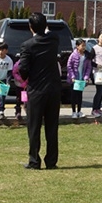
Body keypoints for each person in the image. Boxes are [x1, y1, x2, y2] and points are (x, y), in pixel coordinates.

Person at [19, 12, 61, 170]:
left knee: (34, 127)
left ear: (31, 27)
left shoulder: (27, 45)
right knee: (52, 127)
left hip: (36, 90)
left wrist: (28, 76)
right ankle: (51, 161)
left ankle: (34, 161)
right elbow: (49, 32)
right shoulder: (54, 39)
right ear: (46, 25)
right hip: (54, 89)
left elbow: (23, 69)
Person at [67, 39, 92, 118]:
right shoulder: (73, 55)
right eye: (82, 46)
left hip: (81, 79)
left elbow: (88, 67)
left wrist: (86, 77)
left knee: (80, 96)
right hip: (74, 80)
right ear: (77, 46)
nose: (84, 47)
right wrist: (72, 76)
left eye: (85, 46)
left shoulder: (86, 56)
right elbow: (69, 66)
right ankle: (74, 112)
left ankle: (79, 111)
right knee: (73, 96)